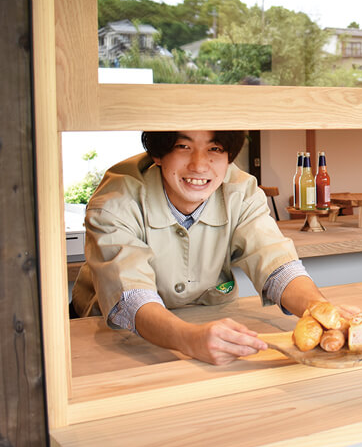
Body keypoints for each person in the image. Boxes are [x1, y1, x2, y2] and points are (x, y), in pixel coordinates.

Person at [72, 130, 344, 365]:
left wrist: (320, 309)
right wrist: (188, 339)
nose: (199, 165)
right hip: (117, 339)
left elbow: (276, 264)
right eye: (183, 146)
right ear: (158, 154)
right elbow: (131, 297)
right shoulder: (116, 201)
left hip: (207, 328)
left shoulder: (241, 191)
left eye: (215, 148)